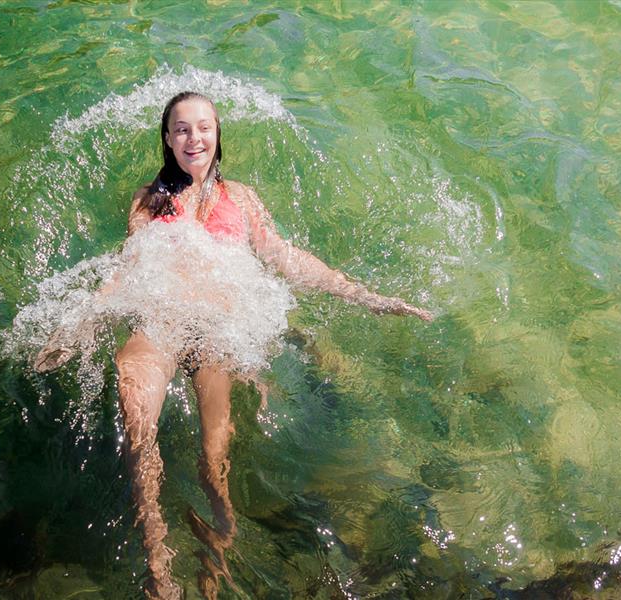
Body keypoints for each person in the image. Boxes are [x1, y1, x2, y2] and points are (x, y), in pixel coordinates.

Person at [35, 91, 431, 599]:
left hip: (216, 331)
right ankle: (157, 556)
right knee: (136, 413)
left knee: (214, 453)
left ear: (218, 133)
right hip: (160, 324)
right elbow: (126, 268)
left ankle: (216, 560)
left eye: (203, 127)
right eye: (181, 129)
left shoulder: (241, 199)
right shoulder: (147, 200)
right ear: (167, 139)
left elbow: (285, 258)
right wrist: (78, 324)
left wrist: (363, 295)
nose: (193, 138)